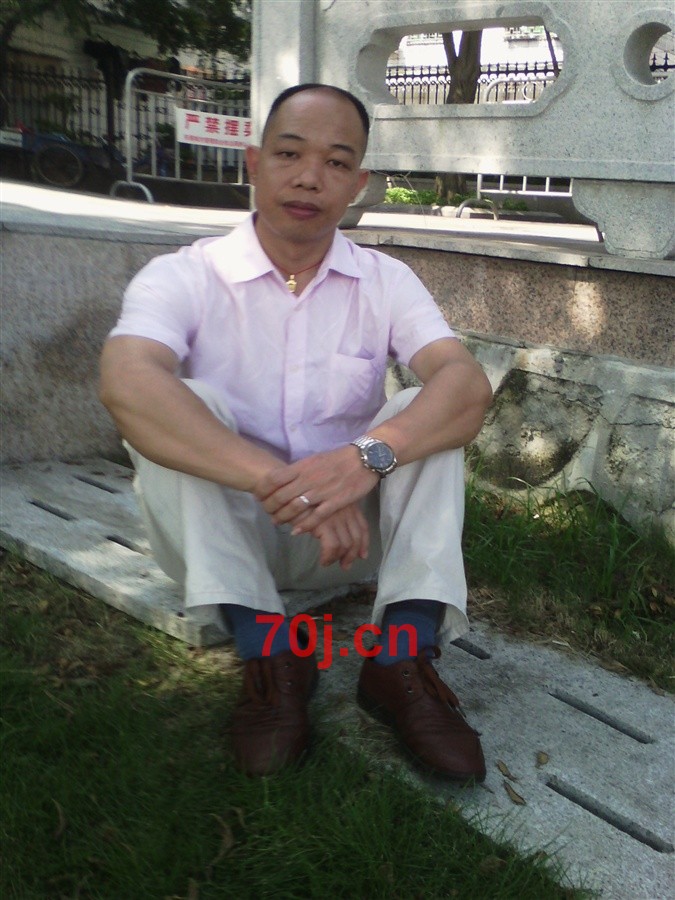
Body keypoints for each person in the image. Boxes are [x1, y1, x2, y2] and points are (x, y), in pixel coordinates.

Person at [99, 83, 493, 781]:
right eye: (289, 154)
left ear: (358, 185)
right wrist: (286, 484)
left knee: (425, 411)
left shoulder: (385, 280)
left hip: (346, 543)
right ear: (253, 163)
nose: (311, 177)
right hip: (223, 538)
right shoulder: (185, 275)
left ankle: (400, 658)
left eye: (337, 162)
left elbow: (465, 386)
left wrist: (365, 459)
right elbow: (125, 381)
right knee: (180, 402)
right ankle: (272, 657)